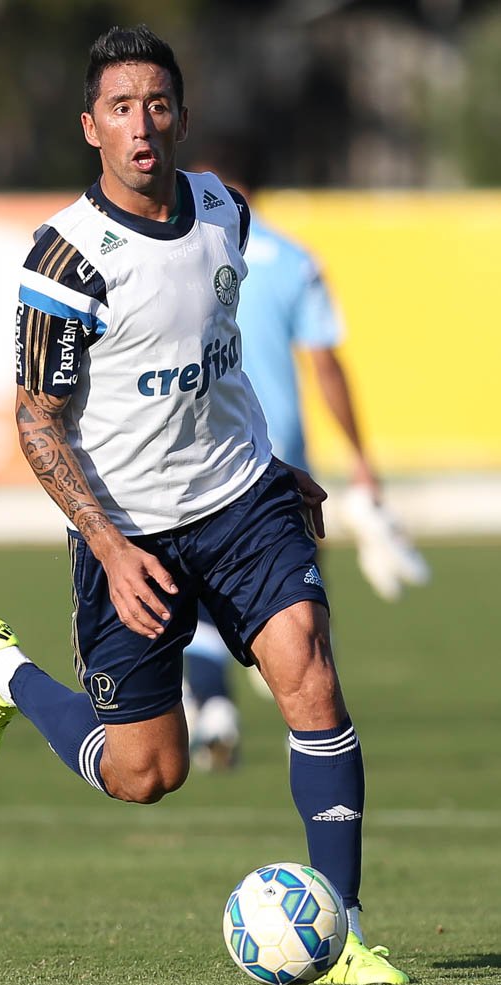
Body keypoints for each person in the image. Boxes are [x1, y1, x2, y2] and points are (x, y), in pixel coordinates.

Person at [0, 25, 409, 985]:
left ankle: (346, 934)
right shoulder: (65, 262)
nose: (141, 124)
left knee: (312, 681)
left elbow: (217, 362)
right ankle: (3, 671)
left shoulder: (221, 213)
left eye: (157, 104)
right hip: (132, 532)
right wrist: (112, 552)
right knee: (146, 774)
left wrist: (274, 463)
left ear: (182, 117)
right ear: (91, 128)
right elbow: (38, 425)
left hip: (243, 499)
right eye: (120, 108)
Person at [183, 141, 429, 771]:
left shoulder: (185, 255)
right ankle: (298, 717)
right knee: (292, 606)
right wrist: (361, 461)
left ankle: (214, 710)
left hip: (204, 456)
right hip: (281, 461)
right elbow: (325, 364)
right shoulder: (293, 260)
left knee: (204, 602)